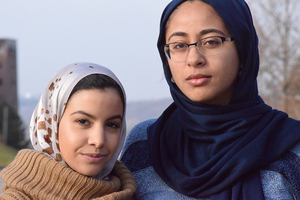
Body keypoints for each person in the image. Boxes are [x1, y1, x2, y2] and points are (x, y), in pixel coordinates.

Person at [120, 0, 300, 199]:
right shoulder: (144, 144)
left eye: (211, 42)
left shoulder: (290, 147)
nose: (193, 59)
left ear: (243, 50)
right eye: (179, 45)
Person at [0, 62, 136, 199]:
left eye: (112, 124)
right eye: (83, 121)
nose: (98, 141)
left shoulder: (137, 192)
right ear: (51, 124)